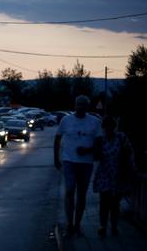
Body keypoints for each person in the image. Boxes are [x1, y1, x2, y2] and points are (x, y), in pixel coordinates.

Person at [54, 95, 102, 236]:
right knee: (69, 191)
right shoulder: (66, 120)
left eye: (83, 104)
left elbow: (99, 143)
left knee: (81, 194)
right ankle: (69, 223)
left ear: (88, 106)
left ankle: (77, 224)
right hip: (69, 161)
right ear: (74, 105)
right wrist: (56, 158)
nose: (80, 107)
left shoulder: (95, 122)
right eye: (78, 104)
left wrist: (88, 150)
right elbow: (57, 138)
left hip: (86, 163)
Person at [93, 115, 134, 237]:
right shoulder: (100, 140)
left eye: (111, 127)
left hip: (118, 174)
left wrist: (130, 169)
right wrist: (96, 150)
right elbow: (95, 157)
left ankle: (114, 226)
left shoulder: (121, 137)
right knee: (104, 202)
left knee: (115, 203)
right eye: (106, 127)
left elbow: (129, 152)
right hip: (104, 174)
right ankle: (103, 226)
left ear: (114, 127)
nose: (109, 129)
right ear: (103, 127)